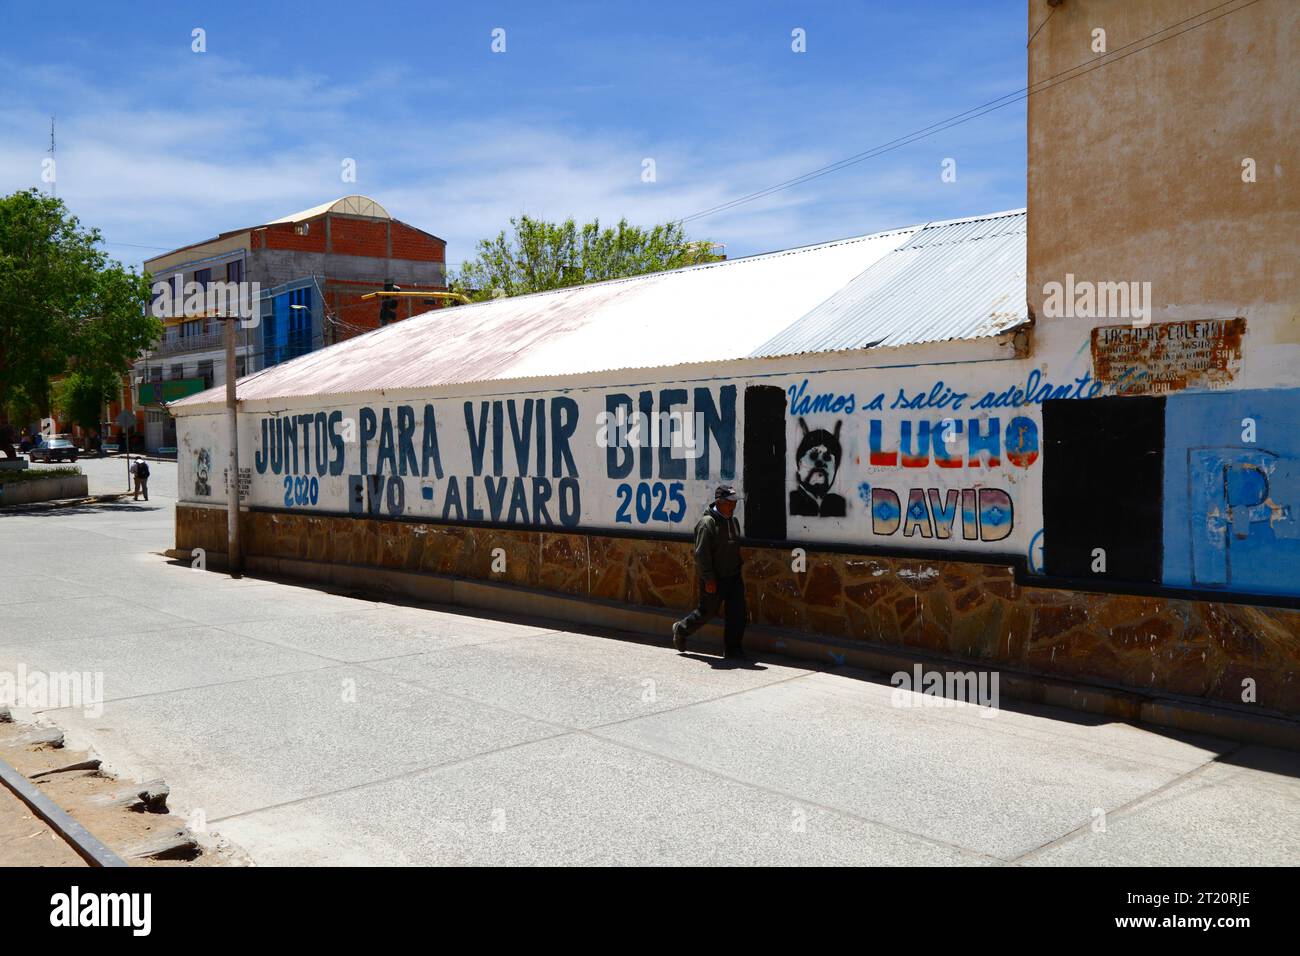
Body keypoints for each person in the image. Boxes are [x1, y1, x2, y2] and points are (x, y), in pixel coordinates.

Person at [672, 485, 748, 660]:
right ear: (719, 502)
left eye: (734, 503)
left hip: (733, 576)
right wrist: (709, 579)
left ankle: (733, 649)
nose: (733, 506)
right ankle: (681, 629)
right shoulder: (707, 523)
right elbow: (701, 554)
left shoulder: (733, 522)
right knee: (707, 612)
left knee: (737, 613)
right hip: (715, 578)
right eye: (729, 503)